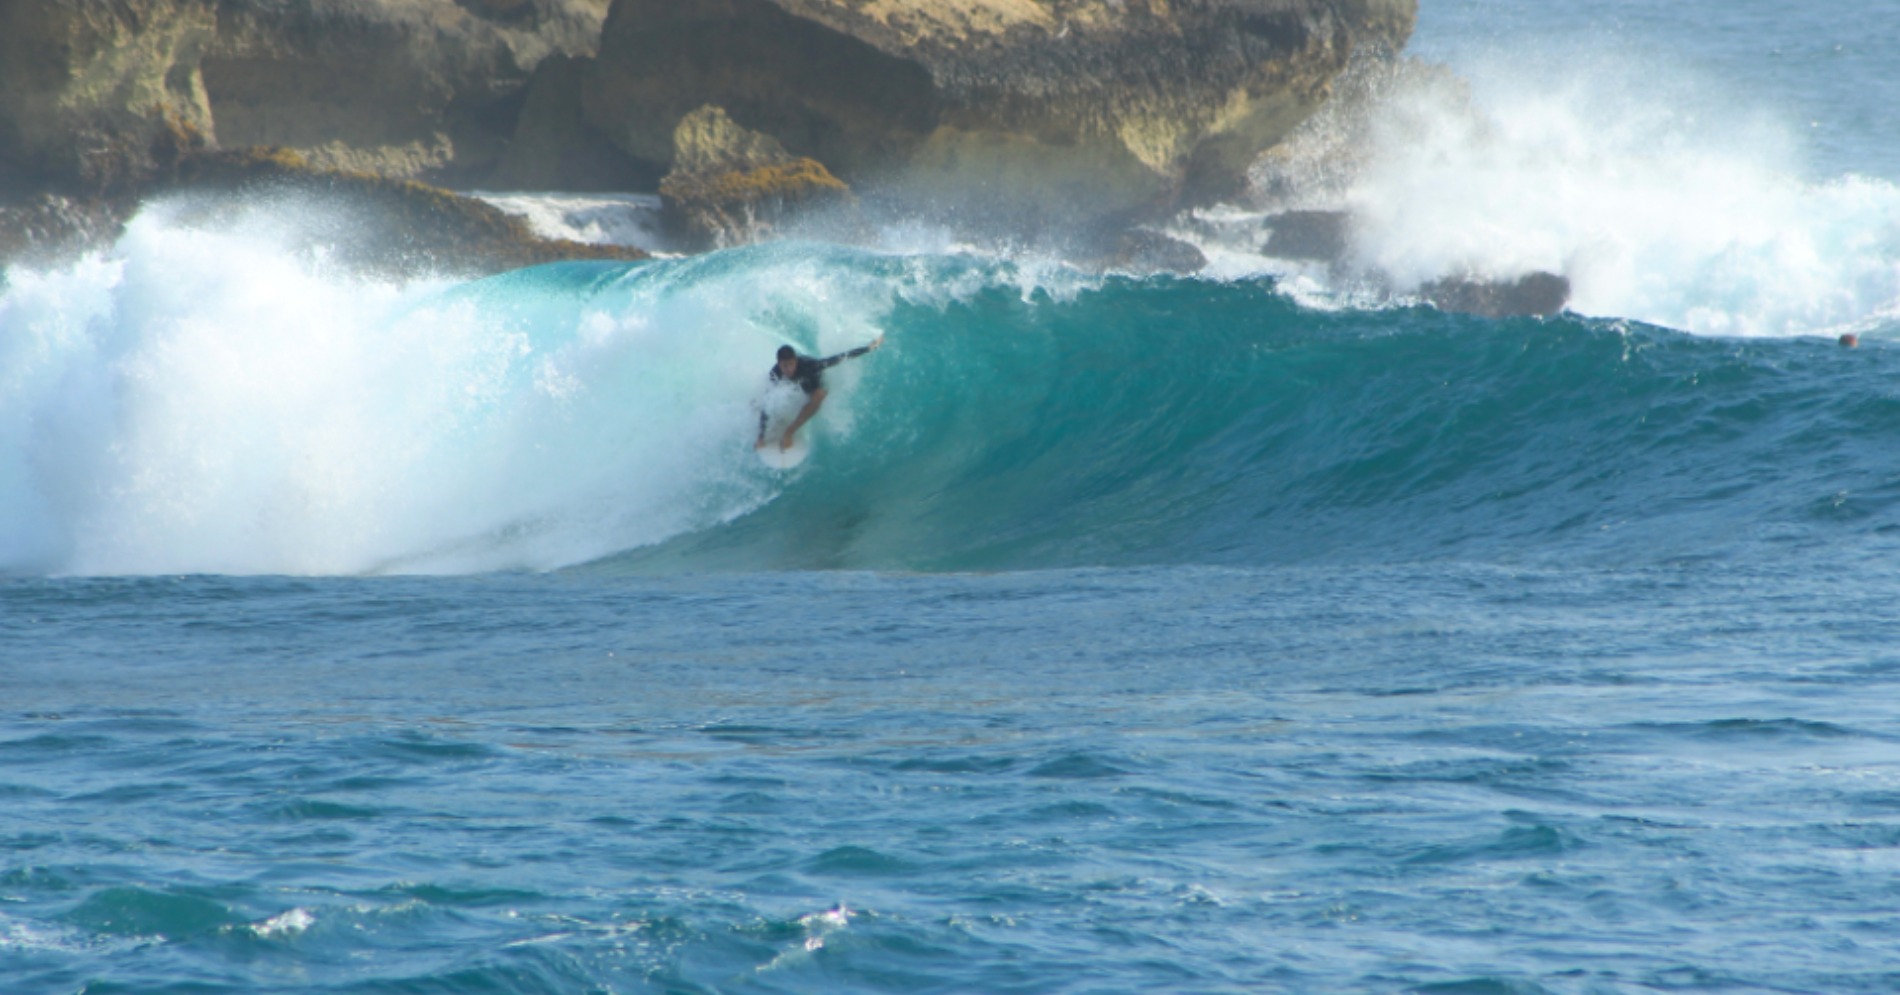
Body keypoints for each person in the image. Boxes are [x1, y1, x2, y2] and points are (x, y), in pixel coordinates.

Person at [756, 335, 885, 451]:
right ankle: (768, 416)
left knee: (819, 395)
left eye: (791, 364)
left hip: (814, 386)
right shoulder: (775, 373)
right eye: (784, 366)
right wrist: (761, 436)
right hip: (796, 385)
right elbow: (768, 400)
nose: (788, 369)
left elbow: (839, 358)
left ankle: (790, 431)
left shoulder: (811, 365)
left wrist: (869, 348)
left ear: (795, 361)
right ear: (778, 364)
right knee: (768, 399)